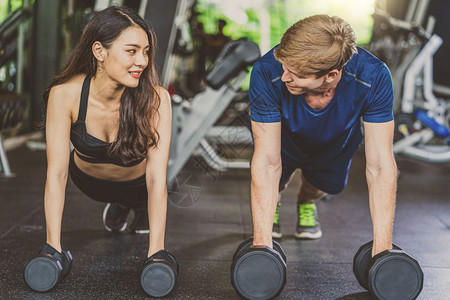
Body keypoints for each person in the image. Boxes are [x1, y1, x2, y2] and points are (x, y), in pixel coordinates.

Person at [248, 15, 396, 256]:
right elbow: (266, 163)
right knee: (274, 184)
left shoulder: (373, 76)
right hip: (283, 138)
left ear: (331, 75)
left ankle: (305, 202)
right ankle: (271, 207)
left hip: (335, 144)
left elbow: (380, 165)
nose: (285, 76)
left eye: (295, 74)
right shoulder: (267, 71)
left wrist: (383, 251)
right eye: (284, 67)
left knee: (318, 188)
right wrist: (261, 248)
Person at [41, 6, 171, 259]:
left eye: (145, 52)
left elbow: (156, 179)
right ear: (99, 51)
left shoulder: (156, 98)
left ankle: (132, 206)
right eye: (131, 51)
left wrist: (157, 252)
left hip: (137, 186)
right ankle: (126, 206)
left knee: (156, 188)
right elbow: (56, 174)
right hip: (89, 183)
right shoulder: (65, 94)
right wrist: (52, 248)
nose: (142, 61)